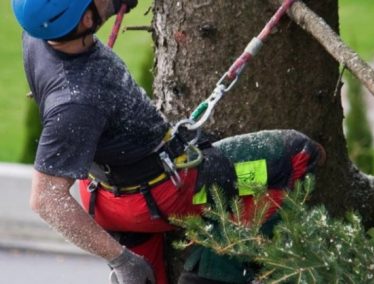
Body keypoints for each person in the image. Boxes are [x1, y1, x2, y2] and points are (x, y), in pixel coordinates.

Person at [12, 0, 326, 283]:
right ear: (84, 22)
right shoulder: (75, 102)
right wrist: (120, 260)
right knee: (294, 155)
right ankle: (215, 271)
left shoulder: (40, 34)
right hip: (166, 195)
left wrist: (108, 6)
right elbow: (45, 199)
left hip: (108, 198)